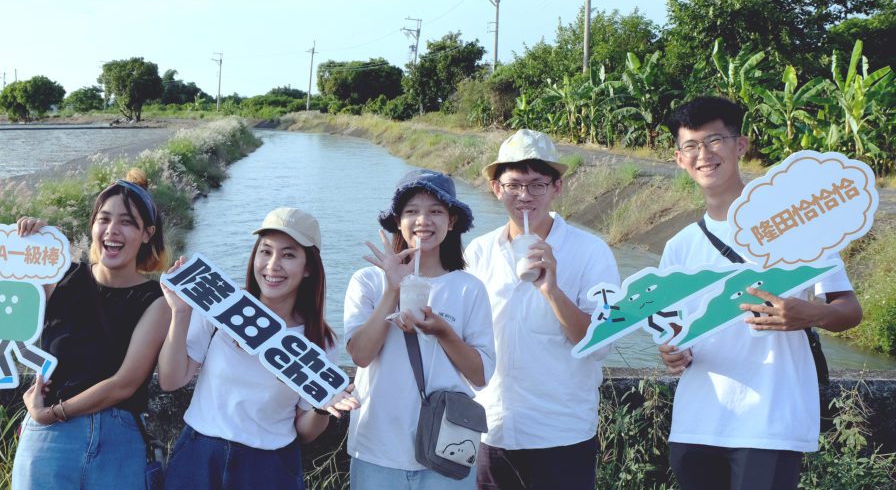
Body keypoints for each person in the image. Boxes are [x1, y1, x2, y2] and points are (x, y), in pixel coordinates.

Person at [658, 96, 863, 490]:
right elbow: (673, 332)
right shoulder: (679, 247)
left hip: (769, 421)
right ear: (679, 158)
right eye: (690, 146)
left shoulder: (800, 227)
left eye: (715, 140)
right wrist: (670, 351)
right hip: (696, 422)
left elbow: (849, 310)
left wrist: (810, 314)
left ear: (741, 145)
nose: (703, 154)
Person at [0, 169, 172, 490]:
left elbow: (124, 383)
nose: (112, 230)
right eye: (103, 219)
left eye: (127, 222)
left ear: (147, 233)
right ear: (92, 225)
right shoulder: (56, 276)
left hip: (116, 440)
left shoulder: (156, 300)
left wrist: (55, 413)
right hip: (49, 442)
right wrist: (15, 246)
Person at [158, 207, 359, 490]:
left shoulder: (319, 341)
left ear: (309, 267)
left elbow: (305, 431)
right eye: (265, 251)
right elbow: (170, 380)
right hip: (198, 456)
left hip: (270, 467)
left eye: (288, 254)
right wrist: (180, 313)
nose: (272, 265)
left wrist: (322, 407)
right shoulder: (220, 307)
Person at [464, 129, 620, 490]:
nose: (524, 196)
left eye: (537, 185)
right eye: (514, 185)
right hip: (491, 429)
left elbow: (602, 344)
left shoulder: (592, 252)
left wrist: (552, 289)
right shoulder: (477, 252)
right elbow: (464, 338)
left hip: (562, 433)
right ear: (496, 188)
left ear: (557, 188)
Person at [345, 168, 496, 489]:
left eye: (435, 212)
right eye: (411, 211)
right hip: (377, 447)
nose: (423, 221)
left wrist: (444, 332)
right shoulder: (367, 281)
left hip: (449, 449)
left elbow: (481, 375)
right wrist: (392, 290)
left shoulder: (468, 288)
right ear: (398, 220)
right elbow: (359, 354)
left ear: (451, 221)